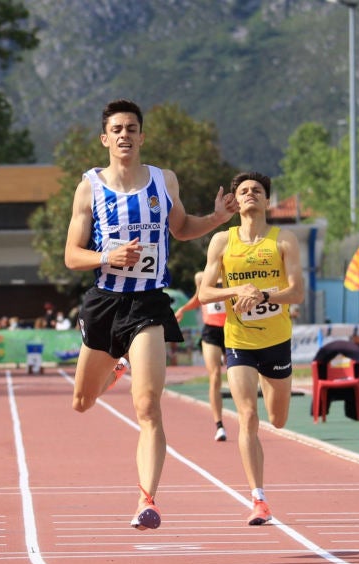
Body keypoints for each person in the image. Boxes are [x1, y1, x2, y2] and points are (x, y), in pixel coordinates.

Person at [64, 98, 236, 531]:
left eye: (132, 128)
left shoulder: (164, 181)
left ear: (142, 136)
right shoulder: (90, 187)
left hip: (148, 303)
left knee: (148, 406)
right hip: (105, 301)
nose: (125, 135)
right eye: (117, 129)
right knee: (83, 402)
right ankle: (115, 366)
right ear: (105, 138)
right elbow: (71, 255)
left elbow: (181, 229)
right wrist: (109, 256)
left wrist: (215, 218)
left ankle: (147, 499)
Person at [198, 171, 304, 525]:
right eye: (243, 191)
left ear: (267, 200)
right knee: (247, 416)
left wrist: (264, 294)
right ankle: (258, 499)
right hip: (239, 340)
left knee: (278, 418)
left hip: (276, 341)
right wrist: (236, 292)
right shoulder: (222, 242)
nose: (250, 194)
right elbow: (204, 293)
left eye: (257, 190)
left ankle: (260, 495)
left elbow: (297, 291)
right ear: (236, 201)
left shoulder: (283, 239)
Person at [175, 271, 228, 441]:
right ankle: (219, 425)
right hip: (211, 331)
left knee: (235, 377)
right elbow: (199, 299)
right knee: (215, 376)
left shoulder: (232, 271)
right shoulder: (201, 277)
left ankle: (246, 418)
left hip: (233, 331)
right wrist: (184, 308)